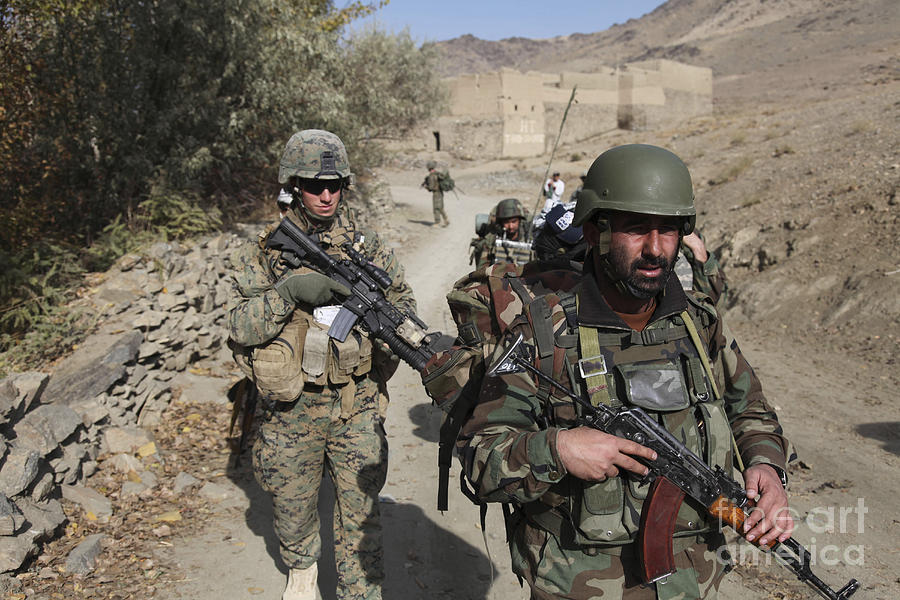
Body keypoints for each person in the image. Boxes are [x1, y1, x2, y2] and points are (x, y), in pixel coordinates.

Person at [457, 144, 794, 599]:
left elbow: (749, 409)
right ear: (597, 230)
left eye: (669, 231)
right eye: (637, 230)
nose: (656, 249)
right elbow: (482, 459)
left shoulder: (699, 322)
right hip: (577, 585)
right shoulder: (542, 332)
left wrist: (767, 467)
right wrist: (559, 448)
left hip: (693, 583)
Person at [227, 129, 415, 600]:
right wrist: (287, 293)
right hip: (293, 407)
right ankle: (302, 570)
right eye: (314, 185)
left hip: (356, 402)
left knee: (362, 513)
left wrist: (389, 340)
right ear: (294, 186)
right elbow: (240, 328)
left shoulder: (367, 248)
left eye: (335, 185)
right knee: (291, 506)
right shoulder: (266, 250)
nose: (327, 195)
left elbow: (403, 304)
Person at [469, 197, 534, 269]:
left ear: (520, 220)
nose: (510, 226)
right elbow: (482, 267)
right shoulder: (492, 239)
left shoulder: (530, 238)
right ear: (501, 222)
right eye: (506, 222)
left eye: (514, 221)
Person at [422, 160, 450, 227]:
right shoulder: (438, 173)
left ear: (428, 168)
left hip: (436, 193)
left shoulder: (431, 176)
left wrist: (426, 186)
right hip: (440, 192)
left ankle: (437, 222)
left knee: (436, 208)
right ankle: (446, 220)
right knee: (440, 207)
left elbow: (431, 188)